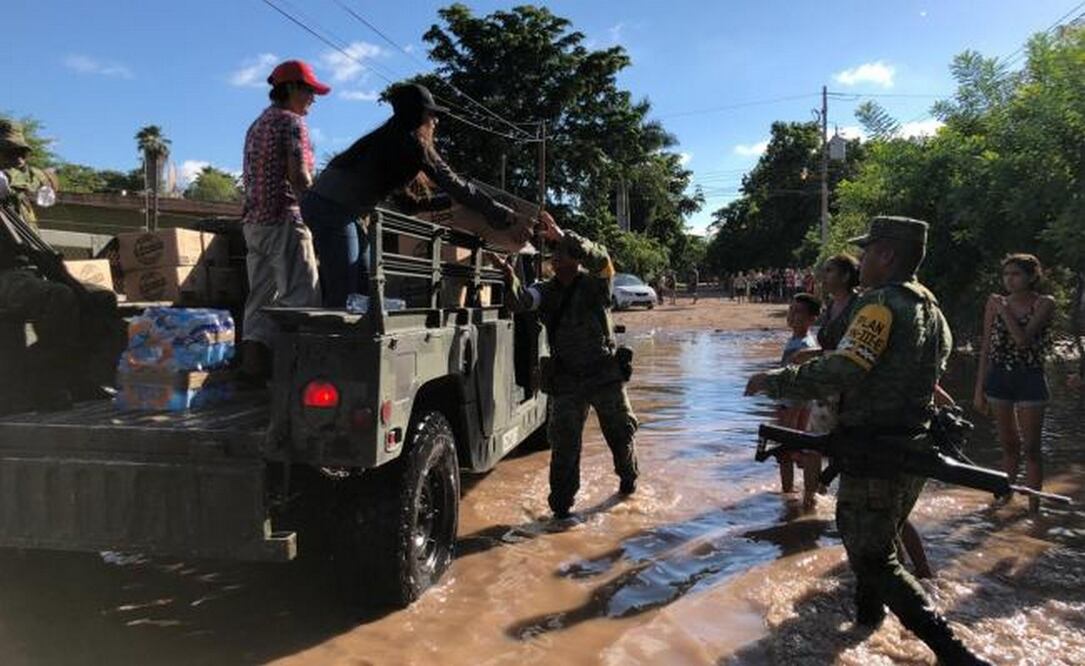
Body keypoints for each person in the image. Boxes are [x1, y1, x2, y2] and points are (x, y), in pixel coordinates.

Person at [745, 217, 990, 665]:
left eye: (866, 252)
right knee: (873, 542)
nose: (859, 262)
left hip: (874, 447)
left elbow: (844, 368)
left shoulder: (878, 306)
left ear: (886, 255)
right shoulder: (930, 307)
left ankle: (954, 653)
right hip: (912, 445)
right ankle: (866, 623)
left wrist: (776, 381)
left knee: (874, 558)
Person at [303, 83, 533, 308]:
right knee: (345, 290)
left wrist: (448, 202)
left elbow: (408, 205)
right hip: (332, 208)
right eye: (432, 115)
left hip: (342, 209)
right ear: (418, 116)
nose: (436, 121)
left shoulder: (390, 143)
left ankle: (357, 339)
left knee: (364, 284)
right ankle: (333, 342)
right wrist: (506, 215)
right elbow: (458, 186)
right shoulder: (411, 144)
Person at [496, 213, 638, 520]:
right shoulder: (545, 291)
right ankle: (560, 509)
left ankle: (628, 481)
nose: (555, 257)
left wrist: (563, 235)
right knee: (563, 448)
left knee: (620, 436)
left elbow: (603, 259)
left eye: (561, 251)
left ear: (575, 258)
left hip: (604, 374)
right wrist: (510, 279)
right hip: (568, 380)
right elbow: (522, 302)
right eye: (554, 252)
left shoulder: (596, 285)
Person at [0, 151, 124, 411]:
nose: (19, 160)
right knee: (58, 297)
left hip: (30, 271)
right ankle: (45, 384)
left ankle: (79, 377)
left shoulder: (14, 195)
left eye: (22, 155)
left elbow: (44, 179)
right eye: (11, 155)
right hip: (6, 273)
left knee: (100, 298)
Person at [239, 59, 328, 383]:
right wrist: (319, 212)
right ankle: (292, 377)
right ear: (290, 88)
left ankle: (253, 369)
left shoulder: (258, 124)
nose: (313, 99)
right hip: (284, 220)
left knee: (260, 298)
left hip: (254, 223)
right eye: (309, 91)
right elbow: (299, 176)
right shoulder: (292, 122)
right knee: (302, 298)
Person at [973, 253, 1055, 514]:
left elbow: (1023, 339)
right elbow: (986, 346)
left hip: (1030, 377)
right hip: (999, 378)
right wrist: (979, 390)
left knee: (1031, 448)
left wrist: (1003, 309)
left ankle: (1034, 508)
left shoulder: (1044, 303)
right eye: (1006, 274)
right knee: (1009, 445)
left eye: (1016, 274)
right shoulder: (995, 303)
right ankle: (1002, 501)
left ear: (1031, 277)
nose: (1009, 280)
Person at [775, 292, 821, 509]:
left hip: (794, 403)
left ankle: (789, 496)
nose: (792, 315)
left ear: (813, 319)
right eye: (791, 310)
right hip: (799, 402)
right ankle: (807, 494)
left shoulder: (801, 344)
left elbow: (793, 379)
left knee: (786, 451)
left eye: (799, 312)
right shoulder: (801, 341)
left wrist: (787, 409)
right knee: (800, 451)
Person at [0, 119, 57, 229]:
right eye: (10, 153)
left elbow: (49, 186)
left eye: (22, 153)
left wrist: (43, 177)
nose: (19, 160)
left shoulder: (29, 176)